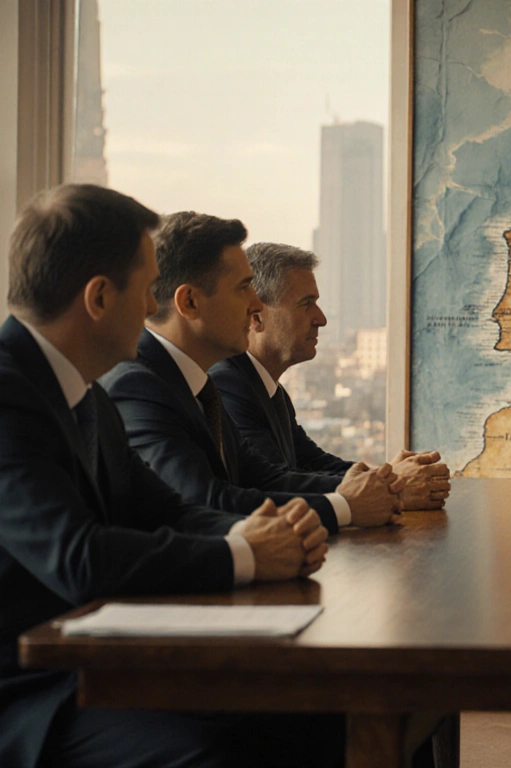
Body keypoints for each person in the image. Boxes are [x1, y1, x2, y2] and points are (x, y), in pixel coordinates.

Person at [0, 184, 337, 768]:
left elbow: (169, 509)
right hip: (30, 693)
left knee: (318, 713)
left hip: (96, 663)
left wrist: (261, 532)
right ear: (100, 298)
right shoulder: (8, 394)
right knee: (212, 752)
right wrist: (247, 557)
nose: (154, 308)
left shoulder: (85, 392)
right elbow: (79, 558)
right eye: (147, 289)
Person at [101, 211, 404, 535]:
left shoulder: (197, 383)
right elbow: (203, 501)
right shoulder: (138, 386)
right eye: (243, 288)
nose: (256, 304)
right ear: (189, 302)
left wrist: (377, 488)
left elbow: (265, 478)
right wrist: (346, 506)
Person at [210, 242, 450, 510]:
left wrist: (384, 476)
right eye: (306, 304)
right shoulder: (228, 385)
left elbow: (313, 462)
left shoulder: (267, 386)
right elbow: (274, 483)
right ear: (256, 316)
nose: (321, 319)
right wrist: (392, 484)